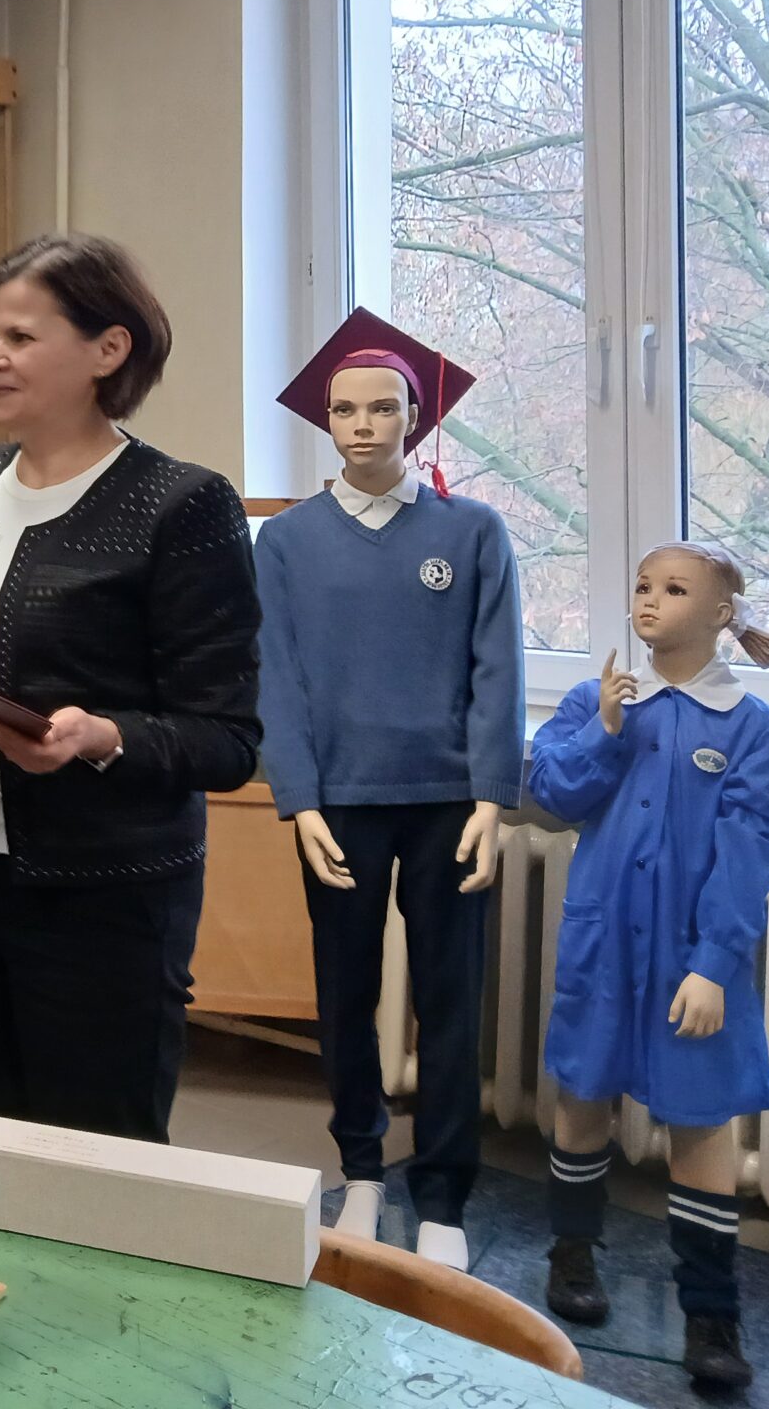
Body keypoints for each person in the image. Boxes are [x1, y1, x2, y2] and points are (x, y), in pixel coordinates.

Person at [0, 233, 261, 1141]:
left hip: (102, 895)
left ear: (108, 350)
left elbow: (227, 740)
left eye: (21, 338)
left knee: (94, 1159)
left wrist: (102, 738)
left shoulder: (182, 504)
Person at [256, 308, 523, 1271]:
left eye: (383, 407)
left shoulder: (472, 530)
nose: (363, 424)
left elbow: (498, 669)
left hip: (449, 800)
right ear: (325, 419)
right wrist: (300, 800)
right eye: (344, 409)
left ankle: (444, 1194)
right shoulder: (286, 543)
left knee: (449, 998)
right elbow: (276, 677)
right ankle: (362, 1171)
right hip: (341, 804)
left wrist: (492, 795)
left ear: (416, 416)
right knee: (345, 992)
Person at [528, 541, 769, 1392]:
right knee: (584, 1091)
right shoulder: (597, 698)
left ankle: (712, 1313)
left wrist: (714, 963)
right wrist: (605, 730)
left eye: (675, 589)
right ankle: (572, 1255)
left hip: (695, 960)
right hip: (602, 941)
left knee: (701, 1117)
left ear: (720, 613)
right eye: (643, 584)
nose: (649, 600)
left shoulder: (757, 728)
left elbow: (750, 854)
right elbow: (553, 793)